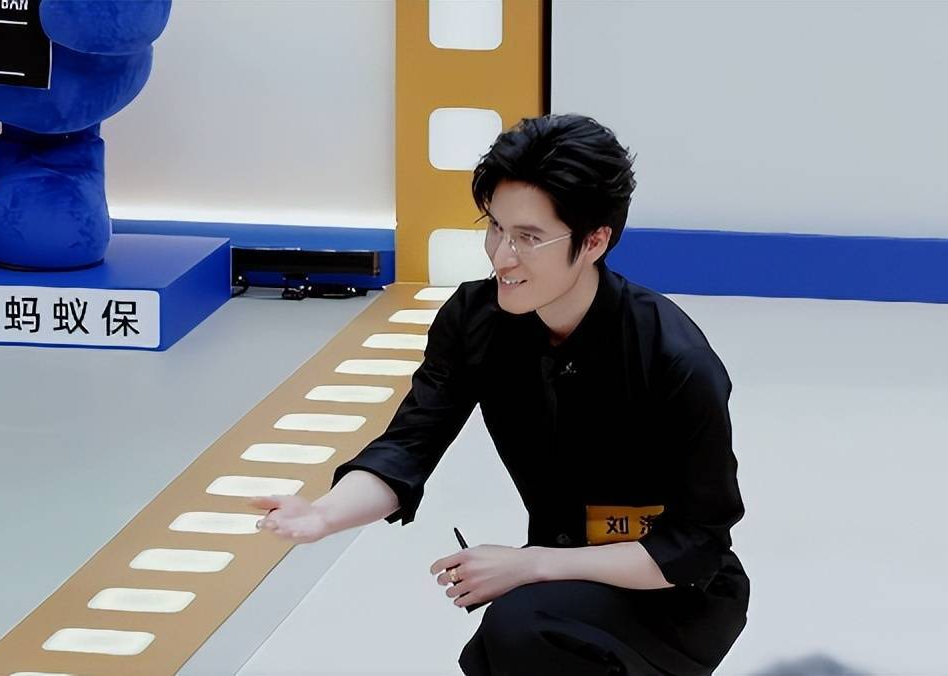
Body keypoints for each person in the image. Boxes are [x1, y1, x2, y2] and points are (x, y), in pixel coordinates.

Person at [254, 114, 748, 675]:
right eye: (495, 227)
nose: (502, 256)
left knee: (522, 629)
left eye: (529, 238)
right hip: (562, 584)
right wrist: (322, 515)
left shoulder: (673, 357)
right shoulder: (475, 321)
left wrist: (530, 564)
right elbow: (410, 445)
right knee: (512, 641)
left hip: (675, 595)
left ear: (594, 241)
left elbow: (695, 546)